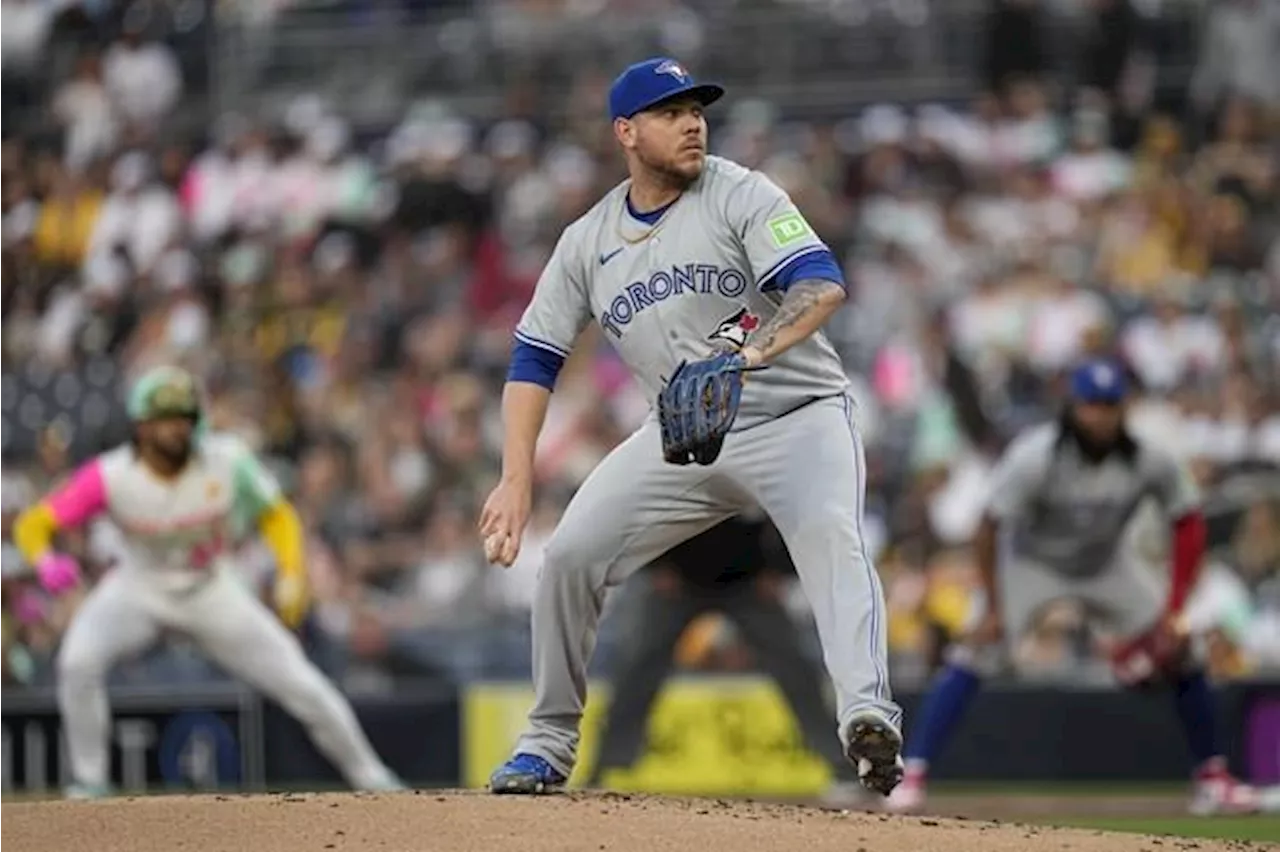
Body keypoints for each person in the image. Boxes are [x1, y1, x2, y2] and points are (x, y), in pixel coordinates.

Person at [479, 57, 901, 797]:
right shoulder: (588, 241)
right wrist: (516, 478)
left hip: (795, 418)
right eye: (671, 112)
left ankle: (868, 718)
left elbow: (820, 282)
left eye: (696, 109)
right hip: (684, 435)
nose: (693, 122)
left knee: (835, 539)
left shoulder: (741, 192)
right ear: (626, 132)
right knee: (571, 555)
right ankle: (546, 744)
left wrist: (755, 353)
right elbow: (533, 356)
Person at [885, 357, 1260, 816]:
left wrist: (1175, 608)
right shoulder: (1035, 454)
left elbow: (1187, 521)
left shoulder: (1147, 457)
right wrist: (996, 607)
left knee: (1184, 651)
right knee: (975, 648)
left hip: (1107, 563)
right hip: (1031, 564)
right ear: (1072, 407)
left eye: (1109, 405)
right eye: (1090, 405)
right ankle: (914, 772)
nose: (1099, 416)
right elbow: (989, 526)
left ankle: (1213, 777)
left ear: (1123, 408)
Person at [11, 365, 404, 799]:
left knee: (299, 681)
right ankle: (90, 780)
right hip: (138, 585)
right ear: (141, 426)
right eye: (165, 419)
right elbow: (34, 524)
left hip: (210, 586)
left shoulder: (226, 459)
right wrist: (44, 561)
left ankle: (373, 777)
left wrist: (293, 573)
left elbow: (278, 516)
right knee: (77, 662)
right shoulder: (111, 475)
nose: (177, 428)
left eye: (184, 417)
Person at [587, 513, 867, 805]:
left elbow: (789, 512)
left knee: (797, 671)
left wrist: (779, 570)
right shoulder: (678, 466)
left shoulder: (759, 470)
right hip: (678, 578)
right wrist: (656, 566)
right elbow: (650, 511)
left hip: (749, 580)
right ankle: (605, 768)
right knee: (637, 668)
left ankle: (841, 770)